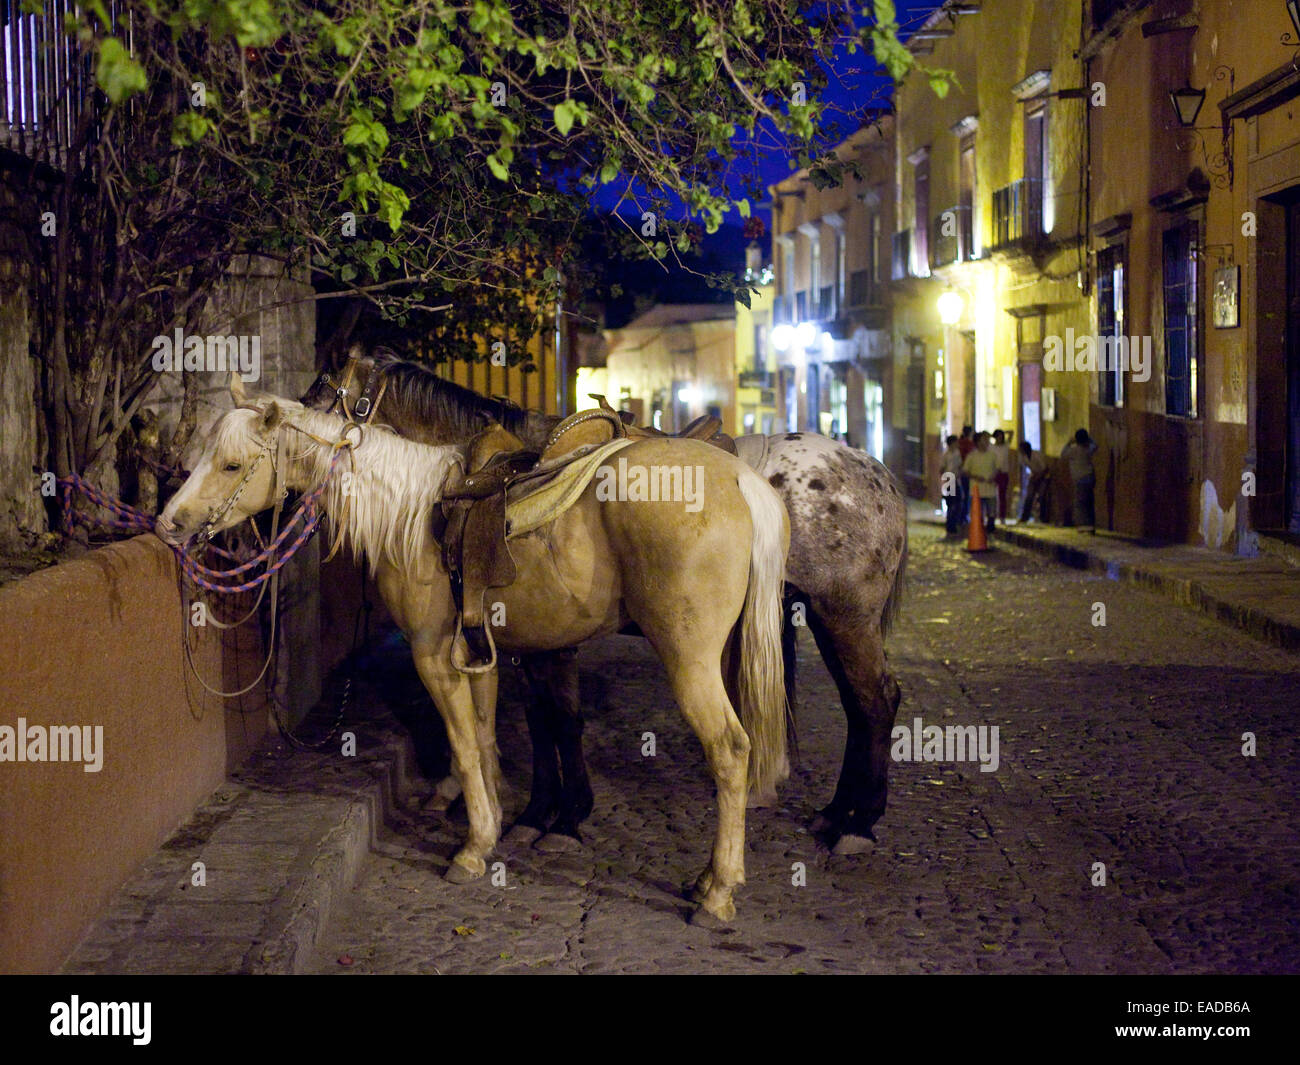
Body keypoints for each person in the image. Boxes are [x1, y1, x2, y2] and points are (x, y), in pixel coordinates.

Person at [1060, 427, 1099, 532]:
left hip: (1079, 479)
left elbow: (1063, 454)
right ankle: (1091, 525)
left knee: (1080, 503)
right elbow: (1096, 445)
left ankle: (1083, 525)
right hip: (1090, 477)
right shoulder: (1088, 449)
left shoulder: (1073, 451)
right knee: (1089, 502)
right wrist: (1089, 439)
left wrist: (1069, 442)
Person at [962, 430, 998, 535]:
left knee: (991, 513)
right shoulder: (972, 456)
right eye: (984, 440)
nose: (986, 442)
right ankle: (979, 534)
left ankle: (990, 533)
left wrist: (993, 477)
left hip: (990, 489)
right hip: (976, 490)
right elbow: (965, 471)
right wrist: (976, 477)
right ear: (978, 442)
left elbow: (997, 468)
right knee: (978, 514)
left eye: (987, 440)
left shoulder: (992, 455)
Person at [1018, 440, 1049, 523]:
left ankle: (1043, 518)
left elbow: (1045, 468)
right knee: (1029, 496)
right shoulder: (1023, 457)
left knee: (1042, 497)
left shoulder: (1036, 455)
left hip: (1043, 476)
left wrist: (1038, 476)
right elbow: (1022, 468)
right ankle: (1025, 517)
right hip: (1034, 475)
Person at [941, 435, 964, 535]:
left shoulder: (957, 453)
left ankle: (953, 524)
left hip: (955, 479)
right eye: (956, 442)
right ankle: (950, 525)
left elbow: (960, 466)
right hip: (949, 479)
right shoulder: (946, 454)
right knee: (950, 503)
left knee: (957, 503)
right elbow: (942, 468)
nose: (957, 444)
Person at [991, 429, 1012, 524]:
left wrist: (1004, 432)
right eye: (998, 436)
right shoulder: (991, 447)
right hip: (993, 472)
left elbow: (1011, 432)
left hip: (1003, 473)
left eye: (1001, 436)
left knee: (1002, 496)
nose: (1000, 438)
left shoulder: (1005, 446)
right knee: (992, 495)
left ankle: (1002, 516)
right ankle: (992, 514)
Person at [957, 425, 974, 521]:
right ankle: (963, 515)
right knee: (966, 494)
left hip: (953, 475)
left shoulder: (959, 443)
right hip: (964, 473)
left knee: (956, 496)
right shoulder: (969, 444)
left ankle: (957, 516)